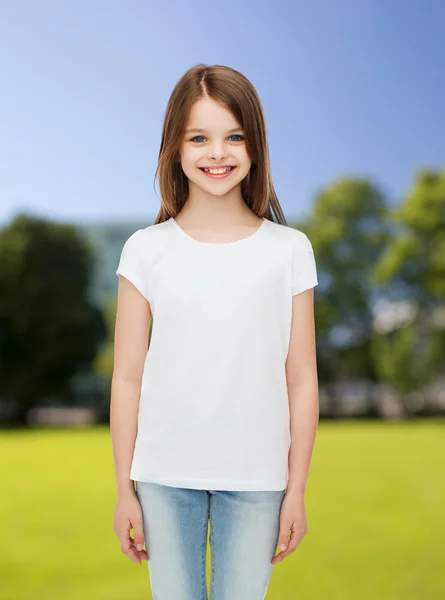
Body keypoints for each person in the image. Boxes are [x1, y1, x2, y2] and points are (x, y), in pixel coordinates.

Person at [110, 63, 319, 600]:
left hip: (257, 479)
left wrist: (295, 491)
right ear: (175, 149)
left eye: (234, 138)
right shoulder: (146, 249)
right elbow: (128, 378)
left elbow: (301, 380)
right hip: (163, 473)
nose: (217, 153)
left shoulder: (289, 250)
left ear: (255, 147)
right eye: (199, 138)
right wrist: (123, 490)